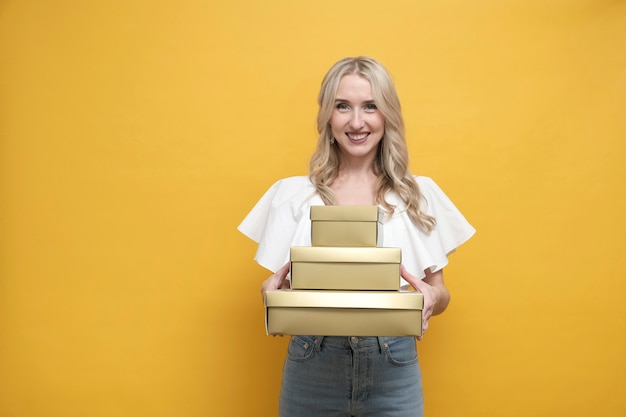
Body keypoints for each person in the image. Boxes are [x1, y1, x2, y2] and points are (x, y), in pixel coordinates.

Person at [238, 56, 475, 417]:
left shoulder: (418, 195)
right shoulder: (292, 195)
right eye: (342, 106)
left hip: (393, 365)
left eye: (370, 106)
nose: (357, 121)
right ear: (327, 117)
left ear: (387, 115)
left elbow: (440, 293)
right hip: (312, 364)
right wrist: (271, 297)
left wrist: (430, 298)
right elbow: (273, 287)